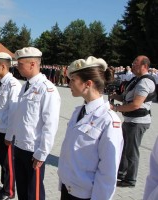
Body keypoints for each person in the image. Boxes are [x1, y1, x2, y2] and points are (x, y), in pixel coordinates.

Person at [58, 56, 124, 200]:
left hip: (85, 195)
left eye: (73, 80)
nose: (69, 84)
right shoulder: (79, 112)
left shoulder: (108, 121)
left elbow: (108, 173)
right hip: (68, 188)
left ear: (87, 83)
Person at [7, 47, 61, 200]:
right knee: (22, 191)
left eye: (20, 63)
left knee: (34, 193)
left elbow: (50, 125)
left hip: (33, 150)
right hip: (20, 146)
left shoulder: (47, 89)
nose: (17, 67)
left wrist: (42, 153)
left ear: (32, 64)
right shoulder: (25, 86)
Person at [109, 55, 156, 188]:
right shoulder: (137, 79)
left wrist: (115, 108)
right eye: (133, 62)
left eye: (136, 63)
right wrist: (115, 96)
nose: (133, 65)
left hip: (137, 122)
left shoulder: (145, 82)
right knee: (124, 148)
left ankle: (130, 180)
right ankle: (121, 173)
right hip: (131, 119)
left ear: (144, 66)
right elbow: (127, 98)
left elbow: (135, 104)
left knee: (131, 151)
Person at [0, 52, 21, 200]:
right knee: (2, 162)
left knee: (8, 164)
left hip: (7, 131)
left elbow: (14, 112)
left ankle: (9, 191)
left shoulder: (13, 84)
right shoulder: (1, 82)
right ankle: (4, 187)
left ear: (3, 65)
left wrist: (9, 135)